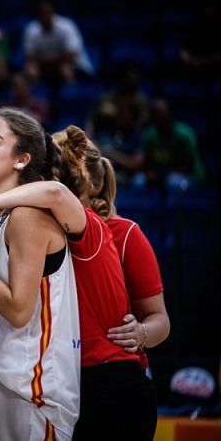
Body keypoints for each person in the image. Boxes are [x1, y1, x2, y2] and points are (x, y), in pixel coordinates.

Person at [0, 124, 158, 440]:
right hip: (71, 372)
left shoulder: (98, 228)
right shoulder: (31, 221)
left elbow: (161, 319)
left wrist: (142, 332)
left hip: (108, 377)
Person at [0, 108, 81, 440]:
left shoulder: (27, 216)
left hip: (37, 387)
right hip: (9, 372)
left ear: (22, 160)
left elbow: (18, 310)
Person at [81, 140, 170, 369]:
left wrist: (141, 332)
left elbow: (160, 320)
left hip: (112, 370)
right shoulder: (44, 232)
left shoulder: (126, 233)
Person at [23, 0, 93, 88]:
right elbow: (30, 57)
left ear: (53, 12)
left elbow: (72, 56)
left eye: (48, 12)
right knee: (31, 69)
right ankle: (35, 96)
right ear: (37, 15)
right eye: (42, 13)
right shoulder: (31, 30)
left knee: (65, 68)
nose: (45, 16)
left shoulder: (67, 26)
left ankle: (71, 94)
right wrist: (50, 64)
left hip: (76, 68)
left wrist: (48, 63)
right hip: (45, 67)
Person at [141, 98, 204, 189]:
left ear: (170, 114)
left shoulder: (184, 135)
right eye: (155, 114)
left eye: (162, 114)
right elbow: (147, 161)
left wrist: (162, 175)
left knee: (173, 182)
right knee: (139, 181)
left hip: (189, 176)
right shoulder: (150, 135)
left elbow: (188, 166)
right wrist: (150, 173)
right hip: (160, 175)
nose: (159, 118)